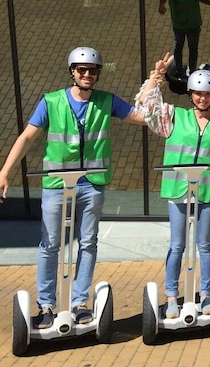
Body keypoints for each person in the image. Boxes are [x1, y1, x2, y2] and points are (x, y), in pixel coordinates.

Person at [0, 47, 148, 329]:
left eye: (92, 70)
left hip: (91, 185)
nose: (87, 74)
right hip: (57, 185)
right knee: (50, 244)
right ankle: (46, 306)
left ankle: (80, 303)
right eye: (82, 70)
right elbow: (27, 137)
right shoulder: (51, 102)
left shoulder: (107, 101)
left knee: (88, 243)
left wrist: (154, 84)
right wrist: (4, 172)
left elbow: (141, 117)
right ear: (72, 72)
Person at [136, 53, 210, 320]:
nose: (203, 98)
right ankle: (171, 297)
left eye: (208, 93)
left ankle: (206, 294)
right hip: (178, 189)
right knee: (177, 245)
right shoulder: (174, 116)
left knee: (205, 244)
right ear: (191, 94)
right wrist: (156, 79)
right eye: (198, 93)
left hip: (209, 192)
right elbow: (146, 108)